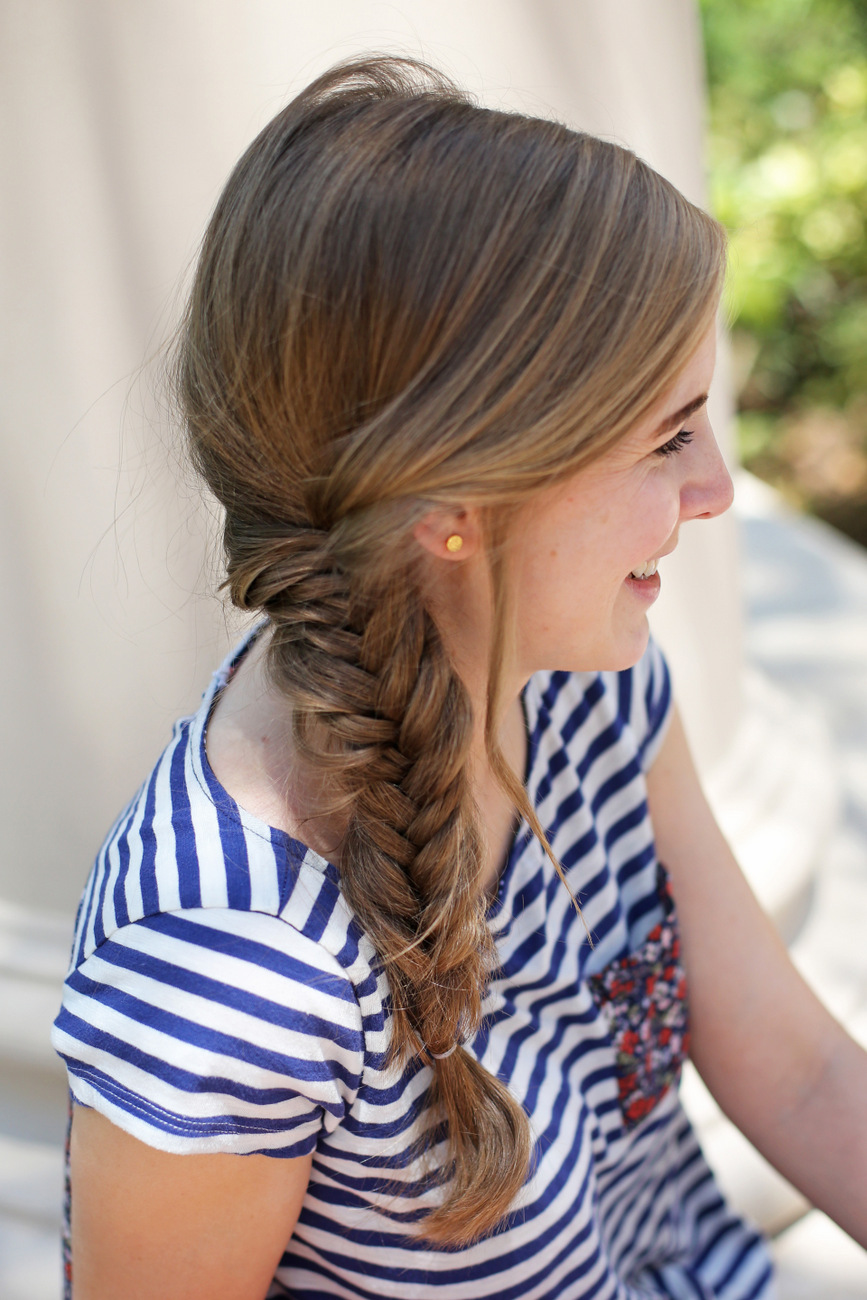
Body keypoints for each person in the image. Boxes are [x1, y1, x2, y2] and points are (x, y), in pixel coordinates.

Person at [52, 55, 867, 1300]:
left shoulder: (579, 679)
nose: (713, 492)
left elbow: (800, 1069)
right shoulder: (230, 970)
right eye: (665, 437)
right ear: (458, 511)